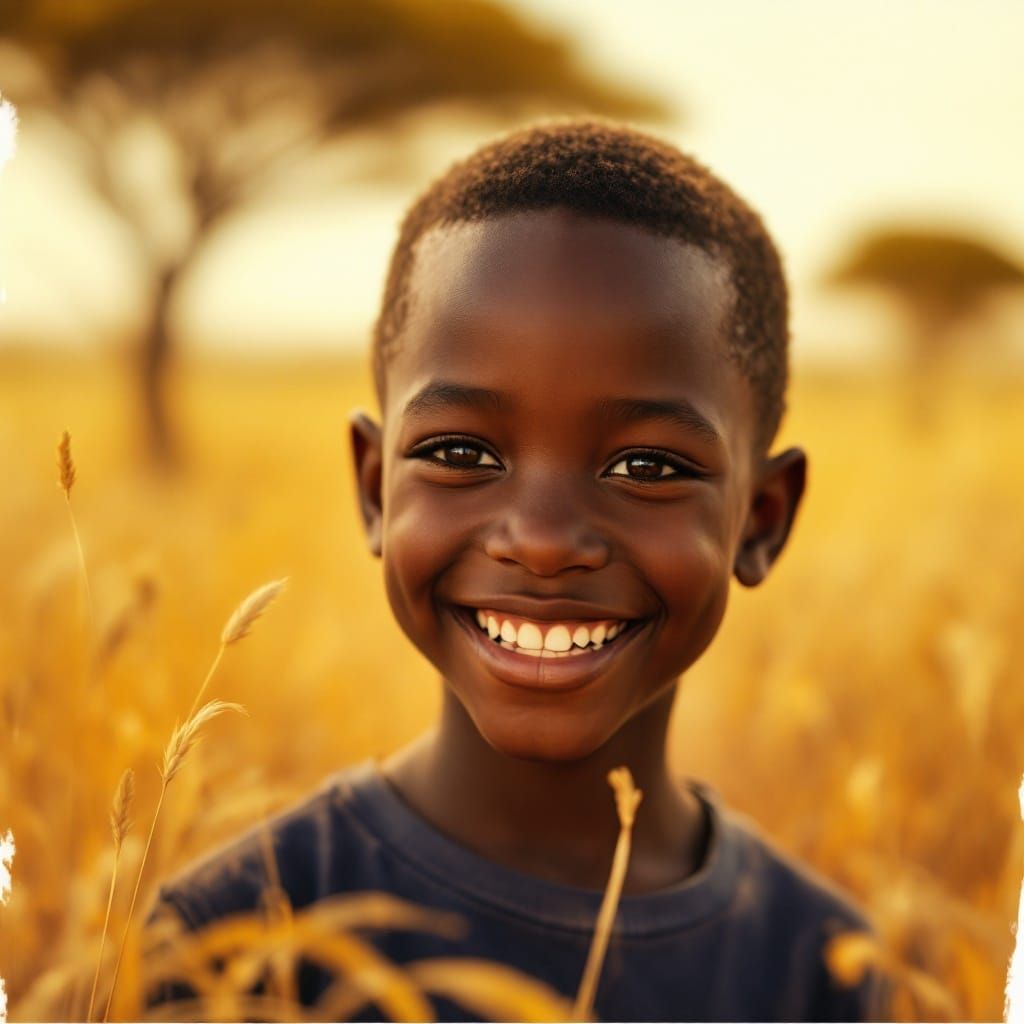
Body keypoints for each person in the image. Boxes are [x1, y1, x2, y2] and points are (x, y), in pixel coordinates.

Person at [145, 120, 886, 1021]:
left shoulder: (827, 975)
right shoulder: (237, 945)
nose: (540, 540)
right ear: (375, 487)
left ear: (761, 519)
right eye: (462, 451)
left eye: (647, 467)